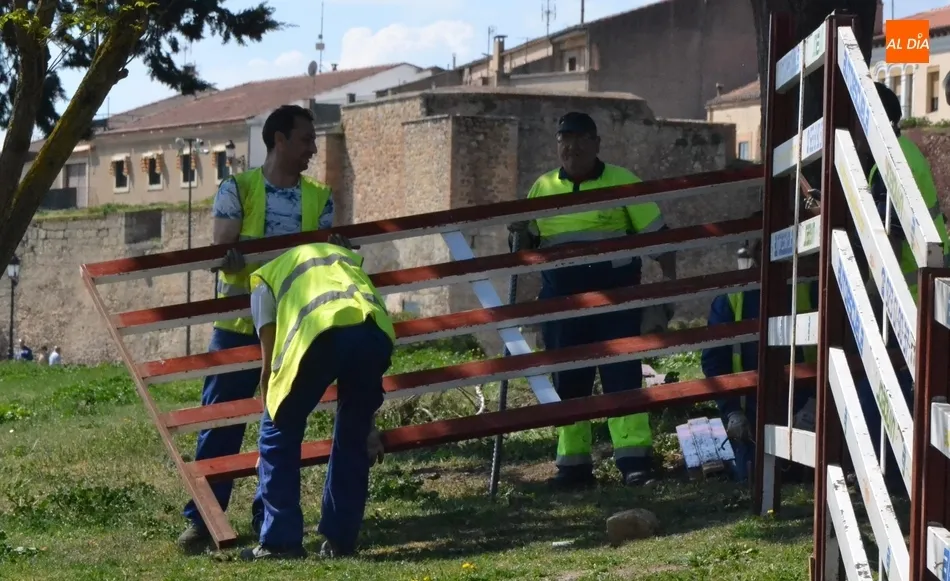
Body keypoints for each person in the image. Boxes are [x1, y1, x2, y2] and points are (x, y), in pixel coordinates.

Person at [177, 104, 339, 553]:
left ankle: (268, 512)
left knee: (283, 423)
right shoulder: (237, 188)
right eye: (306, 139)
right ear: (279, 140)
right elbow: (221, 249)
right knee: (221, 422)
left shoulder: (320, 197)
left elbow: (321, 256)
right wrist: (235, 256)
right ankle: (203, 519)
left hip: (292, 328)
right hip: (238, 325)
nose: (313, 149)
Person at [508, 112, 677, 489]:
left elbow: (660, 239)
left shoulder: (623, 181)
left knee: (622, 377)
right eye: (564, 139)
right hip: (561, 302)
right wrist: (517, 235)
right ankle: (574, 467)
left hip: (615, 299)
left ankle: (634, 462)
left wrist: (668, 290)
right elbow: (526, 244)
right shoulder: (542, 187)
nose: (572, 147)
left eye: (581, 138)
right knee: (569, 381)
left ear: (596, 143)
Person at [240, 239, 393, 561]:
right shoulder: (340, 259)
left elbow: (269, 368)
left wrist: (268, 435)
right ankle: (340, 541)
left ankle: (280, 542)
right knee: (353, 435)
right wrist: (369, 426)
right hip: (376, 333)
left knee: (278, 431)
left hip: (322, 335)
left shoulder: (263, 281)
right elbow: (357, 327)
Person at [701, 217, 818, 481]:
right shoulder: (730, 299)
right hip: (752, 414)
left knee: (805, 473)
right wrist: (732, 411)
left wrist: (816, 405)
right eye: (762, 245)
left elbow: (835, 352)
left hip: (805, 405)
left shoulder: (810, 288)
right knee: (755, 475)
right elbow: (715, 363)